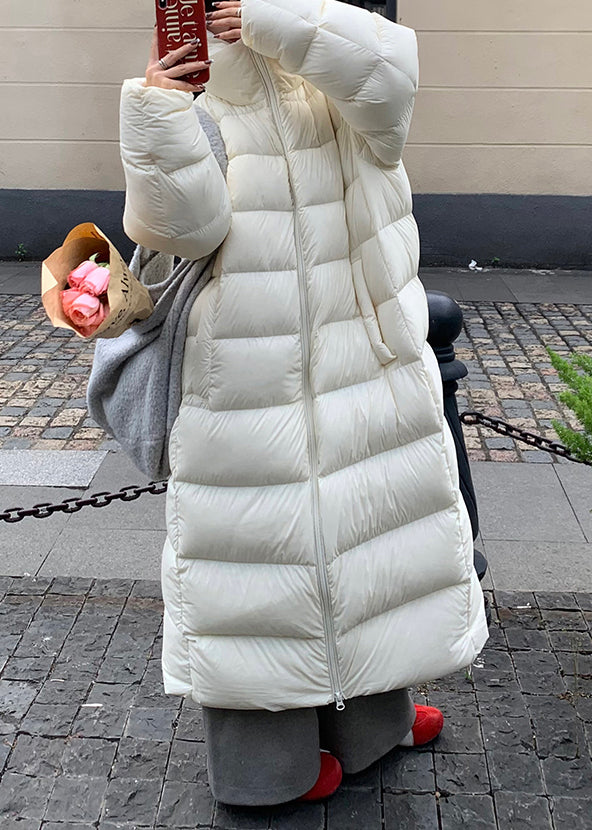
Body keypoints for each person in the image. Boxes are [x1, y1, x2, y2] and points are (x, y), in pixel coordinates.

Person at [119, 0, 489, 805]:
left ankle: (374, 727)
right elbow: (182, 231)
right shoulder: (196, 87)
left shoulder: (326, 48)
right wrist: (159, 108)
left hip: (361, 353)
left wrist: (273, 19)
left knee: (371, 540)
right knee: (254, 563)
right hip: (243, 370)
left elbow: (390, 85)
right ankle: (267, 771)